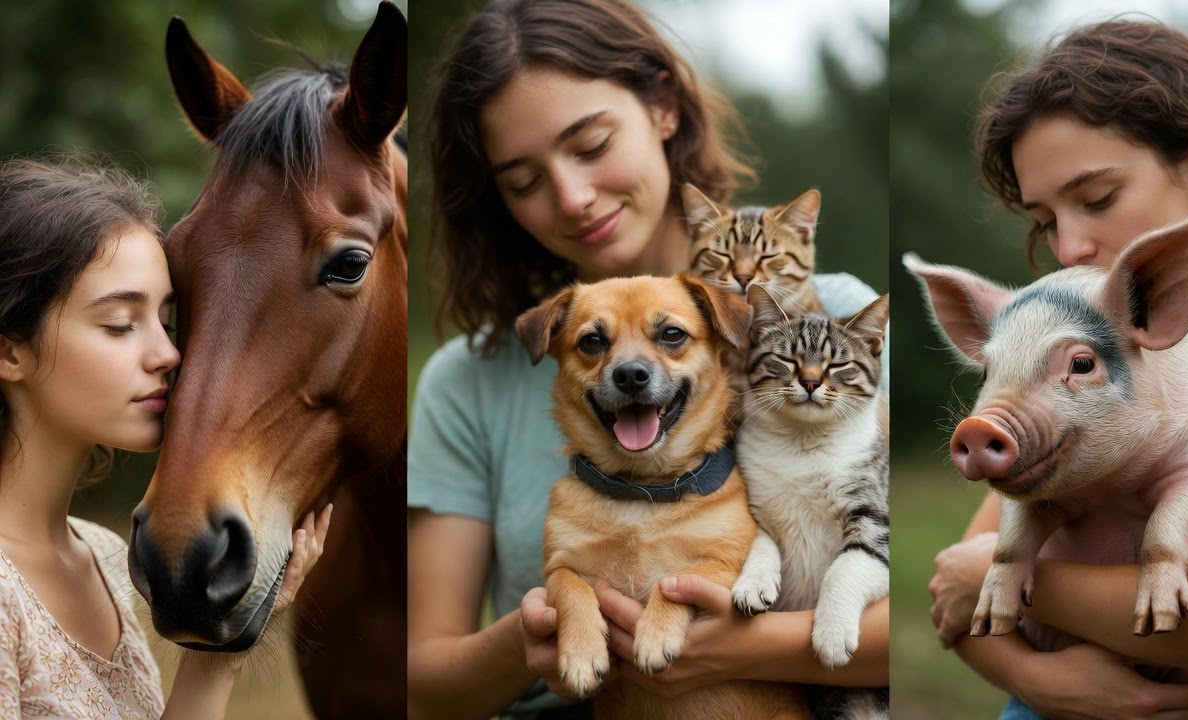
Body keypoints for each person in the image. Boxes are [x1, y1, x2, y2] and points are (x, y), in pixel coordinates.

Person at [406, 1, 889, 718]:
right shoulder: (464, 379)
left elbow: (908, 605)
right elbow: (422, 686)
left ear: (663, 107)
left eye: (592, 143)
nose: (573, 197)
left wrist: (736, 651)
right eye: (524, 181)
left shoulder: (829, 329)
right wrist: (543, 631)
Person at [925, 20, 1188, 720]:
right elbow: (954, 598)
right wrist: (1043, 681)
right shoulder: (1080, 340)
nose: (1069, 246)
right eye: (1045, 217)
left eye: (1097, 199)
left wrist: (1018, 586)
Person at [0, 157, 331, 719]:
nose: (169, 354)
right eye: (121, 324)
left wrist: (224, 645)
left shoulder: (105, 558)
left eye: (166, 322)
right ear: (10, 352)